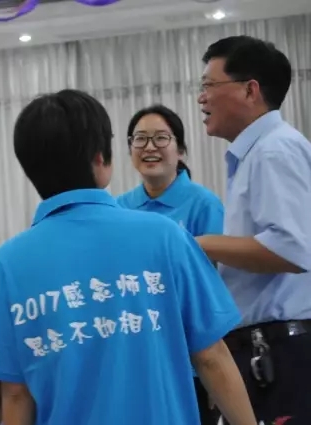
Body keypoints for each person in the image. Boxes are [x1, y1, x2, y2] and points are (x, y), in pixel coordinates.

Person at [0, 89, 256, 425]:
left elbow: (15, 395)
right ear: (101, 159)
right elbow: (211, 357)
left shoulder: (4, 267)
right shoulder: (165, 237)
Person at [196, 36, 311, 424]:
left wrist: (198, 244)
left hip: (282, 351)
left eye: (209, 85)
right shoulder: (258, 154)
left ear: (250, 90)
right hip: (267, 348)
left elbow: (291, 248)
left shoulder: (274, 150)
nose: (201, 98)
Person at [117, 105, 224, 425]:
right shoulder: (119, 209)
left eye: (161, 138)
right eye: (140, 139)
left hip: (190, 362)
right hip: (135, 358)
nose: (149, 147)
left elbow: (212, 288)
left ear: (181, 149)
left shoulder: (204, 204)